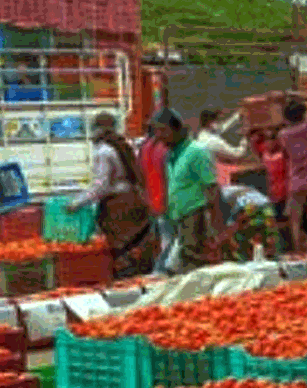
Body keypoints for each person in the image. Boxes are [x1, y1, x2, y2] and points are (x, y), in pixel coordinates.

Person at [67, 113, 158, 280]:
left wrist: (76, 203)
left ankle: (127, 284)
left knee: (122, 252)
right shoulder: (121, 144)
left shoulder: (103, 151)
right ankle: (143, 281)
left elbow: (101, 186)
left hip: (118, 209)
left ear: (97, 129)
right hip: (133, 202)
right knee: (136, 249)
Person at [151, 108, 222, 274]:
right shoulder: (171, 156)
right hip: (179, 217)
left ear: (176, 129)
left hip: (196, 216)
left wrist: (216, 228)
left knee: (195, 264)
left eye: (163, 130)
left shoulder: (197, 152)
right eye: (156, 131)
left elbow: (211, 188)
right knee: (184, 263)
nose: (159, 136)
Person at [277, 95, 307, 255]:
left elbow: (284, 153)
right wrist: (295, 94)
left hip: (295, 180)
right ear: (303, 114)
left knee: (295, 220)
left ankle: (298, 252)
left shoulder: (283, 135)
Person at [138, 119, 173, 274]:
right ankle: (162, 274)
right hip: (166, 202)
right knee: (170, 242)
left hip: (153, 202)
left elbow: (141, 177)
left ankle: (159, 272)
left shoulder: (145, 148)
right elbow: (169, 177)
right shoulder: (163, 149)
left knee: (161, 242)